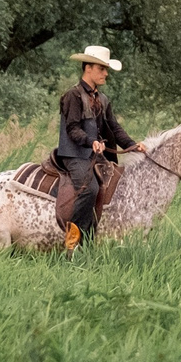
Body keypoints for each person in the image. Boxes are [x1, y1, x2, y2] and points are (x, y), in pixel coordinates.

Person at [55, 45, 138, 248]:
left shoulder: (102, 99)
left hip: (94, 155)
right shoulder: (72, 96)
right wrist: (89, 141)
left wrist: (133, 145)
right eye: (101, 69)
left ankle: (93, 239)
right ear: (88, 68)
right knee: (89, 189)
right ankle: (72, 244)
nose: (106, 73)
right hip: (74, 154)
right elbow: (72, 128)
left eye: (106, 69)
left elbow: (114, 128)